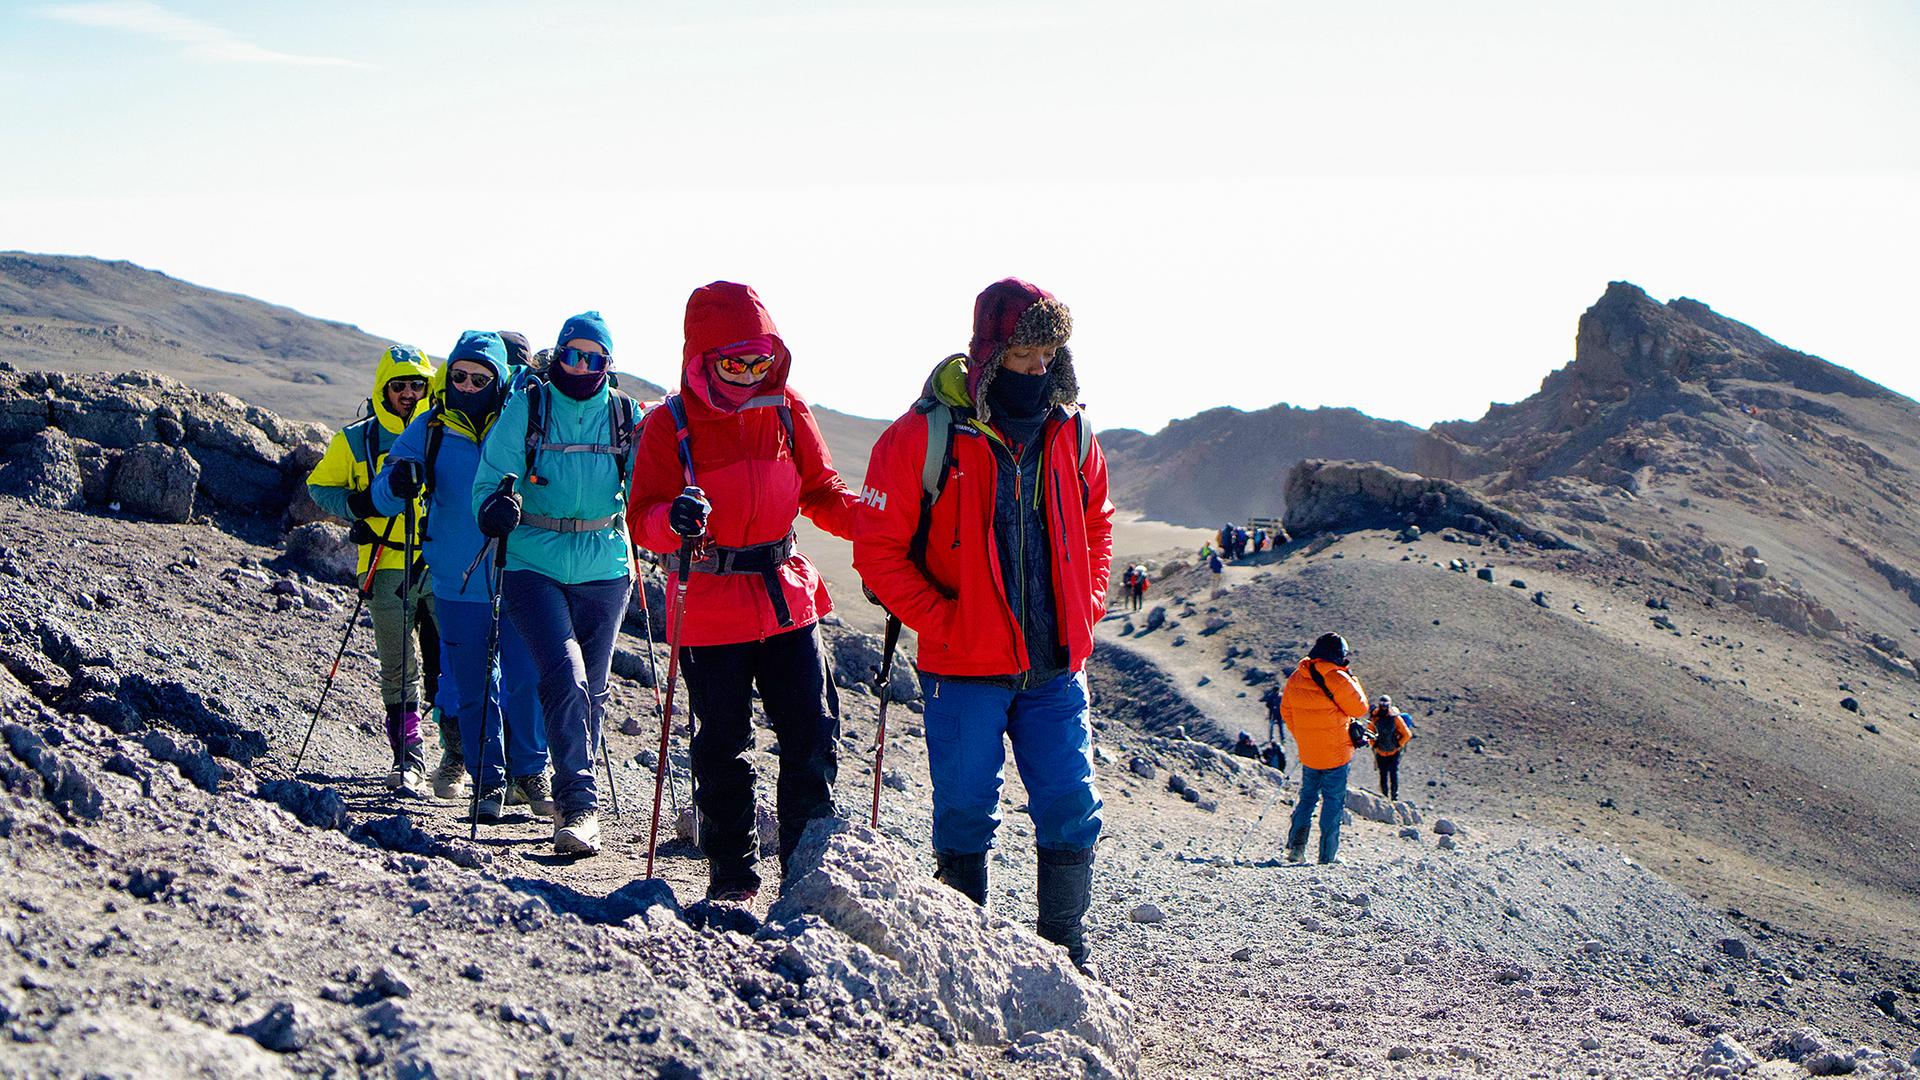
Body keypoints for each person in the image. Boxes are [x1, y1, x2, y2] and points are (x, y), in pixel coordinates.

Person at [854, 277, 1113, 975]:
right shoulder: (923, 436)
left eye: (1048, 355)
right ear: (992, 352)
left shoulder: (1073, 430)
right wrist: (945, 620)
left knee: (1070, 808)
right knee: (965, 816)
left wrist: (1085, 606)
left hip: (1054, 667)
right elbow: (876, 551)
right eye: (1026, 355)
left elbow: (1097, 524)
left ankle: (1066, 952)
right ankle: (968, 958)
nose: (1038, 370)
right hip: (961, 670)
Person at [629, 281, 857, 902]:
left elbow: (821, 491)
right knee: (722, 746)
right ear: (702, 357)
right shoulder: (667, 424)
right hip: (708, 605)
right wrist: (670, 518)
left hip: (785, 597)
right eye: (734, 362)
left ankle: (804, 875)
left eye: (760, 361)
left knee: (811, 732)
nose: (749, 374)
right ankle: (732, 878)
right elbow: (642, 515)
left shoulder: (788, 408)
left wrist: (878, 522)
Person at [471, 312, 640, 856]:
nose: (581, 366)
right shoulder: (530, 406)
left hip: (605, 567)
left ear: (608, 365)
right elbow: (489, 476)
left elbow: (645, 489)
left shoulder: (624, 416)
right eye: (572, 355)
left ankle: (574, 793)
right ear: (558, 354)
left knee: (591, 687)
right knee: (565, 674)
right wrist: (493, 507)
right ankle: (579, 806)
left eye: (594, 359)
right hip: (531, 562)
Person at [371, 331, 552, 822]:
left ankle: (531, 773)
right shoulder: (431, 427)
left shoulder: (521, 421)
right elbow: (385, 493)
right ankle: (485, 781)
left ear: (501, 378)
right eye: (460, 376)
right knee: (470, 685)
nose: (469, 385)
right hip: (456, 576)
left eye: (481, 377)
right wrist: (396, 482)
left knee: (524, 679)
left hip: (520, 571)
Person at [306, 345, 441, 796]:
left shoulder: (444, 433)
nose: (408, 393)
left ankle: (460, 761)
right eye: (399, 385)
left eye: (416, 385)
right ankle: (410, 760)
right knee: (398, 667)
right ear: (383, 388)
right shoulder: (356, 440)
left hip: (440, 562)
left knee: (455, 666)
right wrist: (356, 506)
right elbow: (318, 485)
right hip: (384, 563)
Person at [1280, 632, 1368, 865]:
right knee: (1332, 803)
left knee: (1307, 800)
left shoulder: (1297, 676)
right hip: (1336, 753)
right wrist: (1352, 678)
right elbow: (1359, 708)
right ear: (1338, 655)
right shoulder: (1338, 677)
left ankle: (1296, 850)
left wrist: (1304, 736)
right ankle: (1327, 856)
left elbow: (1286, 711)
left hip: (1309, 752)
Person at [1367, 694, 1415, 800]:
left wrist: (1397, 745)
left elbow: (1407, 734)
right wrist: (1398, 745)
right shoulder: (1377, 718)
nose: (1383, 707)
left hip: (1388, 752)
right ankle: (1388, 797)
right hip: (1386, 751)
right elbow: (1369, 733)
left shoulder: (1392, 718)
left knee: (1390, 774)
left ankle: (1392, 797)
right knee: (1386, 774)